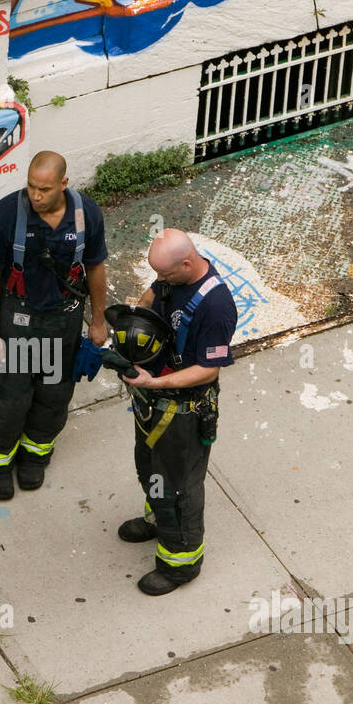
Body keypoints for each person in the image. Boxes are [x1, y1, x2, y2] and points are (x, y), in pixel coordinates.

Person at [0, 150, 108, 500]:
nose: (35, 196)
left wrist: (97, 321)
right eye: (31, 187)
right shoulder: (6, 216)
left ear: (63, 184)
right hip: (19, 320)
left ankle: (35, 453)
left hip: (65, 320)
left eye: (45, 189)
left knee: (54, 393)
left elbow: (95, 268)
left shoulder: (86, 214)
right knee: (10, 395)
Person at [118, 229, 237, 596]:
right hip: (153, 402)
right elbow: (152, 296)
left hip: (184, 411)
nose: (161, 280)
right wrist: (135, 328)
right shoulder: (171, 277)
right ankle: (157, 519)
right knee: (149, 466)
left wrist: (154, 385)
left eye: (166, 274)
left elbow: (209, 368)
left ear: (187, 263)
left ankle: (180, 563)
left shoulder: (216, 306)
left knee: (179, 488)